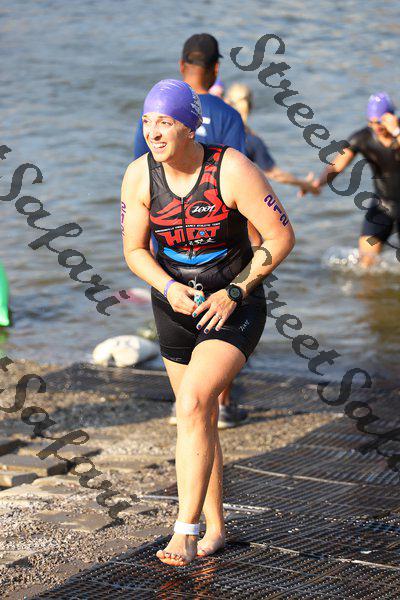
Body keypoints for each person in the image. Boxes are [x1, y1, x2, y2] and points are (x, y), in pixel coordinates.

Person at [121, 79, 295, 566]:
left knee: (194, 402)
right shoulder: (138, 176)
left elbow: (280, 237)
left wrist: (236, 290)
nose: (153, 133)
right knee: (198, 416)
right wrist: (167, 286)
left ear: (190, 126)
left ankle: (185, 530)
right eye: (147, 122)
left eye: (165, 122)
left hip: (234, 304)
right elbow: (134, 250)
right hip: (174, 305)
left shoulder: (232, 169)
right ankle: (215, 528)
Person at [133, 34, 255, 428]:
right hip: (221, 250)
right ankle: (223, 404)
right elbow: (240, 189)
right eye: (149, 124)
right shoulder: (228, 116)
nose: (155, 131)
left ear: (183, 65)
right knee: (209, 375)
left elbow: (147, 187)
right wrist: (253, 253)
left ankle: (194, 405)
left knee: (193, 394)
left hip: (168, 255)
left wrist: (164, 278)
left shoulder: (154, 117)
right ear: (216, 68)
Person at [311, 92, 400, 268]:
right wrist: (317, 184)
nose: (376, 127)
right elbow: (337, 166)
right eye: (371, 122)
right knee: (366, 262)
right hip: (383, 205)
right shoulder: (362, 137)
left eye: (380, 122)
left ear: (391, 117)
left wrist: (396, 131)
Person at [225, 83, 320, 196]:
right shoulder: (252, 141)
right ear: (251, 106)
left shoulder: (214, 129)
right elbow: (275, 175)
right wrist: (305, 184)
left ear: (226, 102)